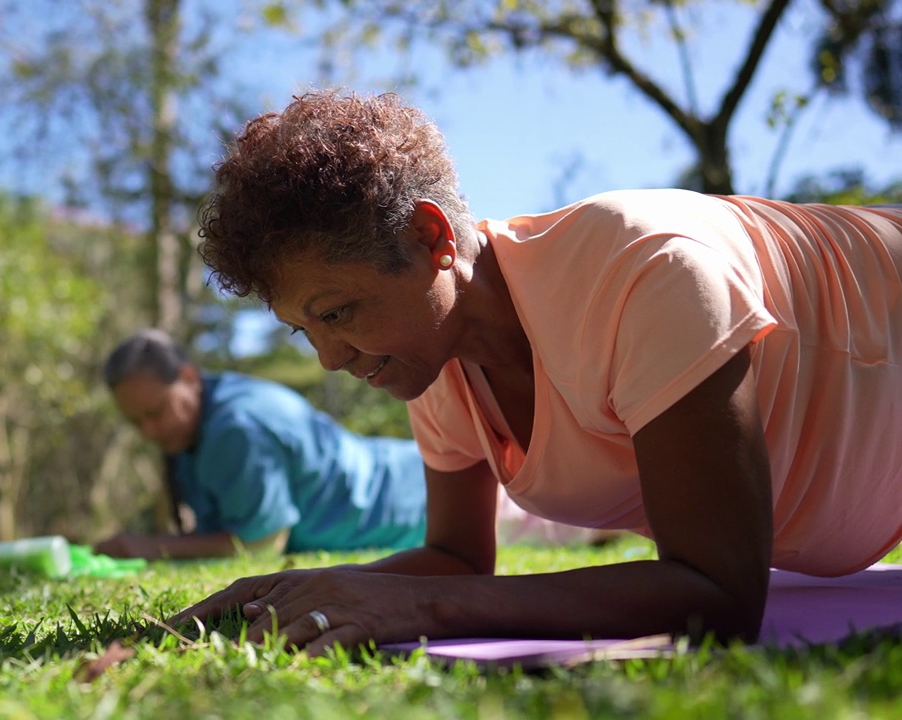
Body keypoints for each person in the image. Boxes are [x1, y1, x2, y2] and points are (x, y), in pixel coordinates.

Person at [171, 90, 902, 654]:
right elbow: (458, 556)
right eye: (305, 332)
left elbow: (720, 593)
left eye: (337, 314)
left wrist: (415, 608)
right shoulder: (428, 354)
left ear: (431, 239)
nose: (330, 358)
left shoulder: (646, 273)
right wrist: (305, 590)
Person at [95, 329, 603, 560]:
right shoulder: (202, 419)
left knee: (596, 516)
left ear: (187, 377)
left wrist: (145, 547)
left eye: (156, 412)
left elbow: (259, 543)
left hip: (425, 501)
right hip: (410, 479)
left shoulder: (236, 426)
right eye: (136, 422)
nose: (151, 432)